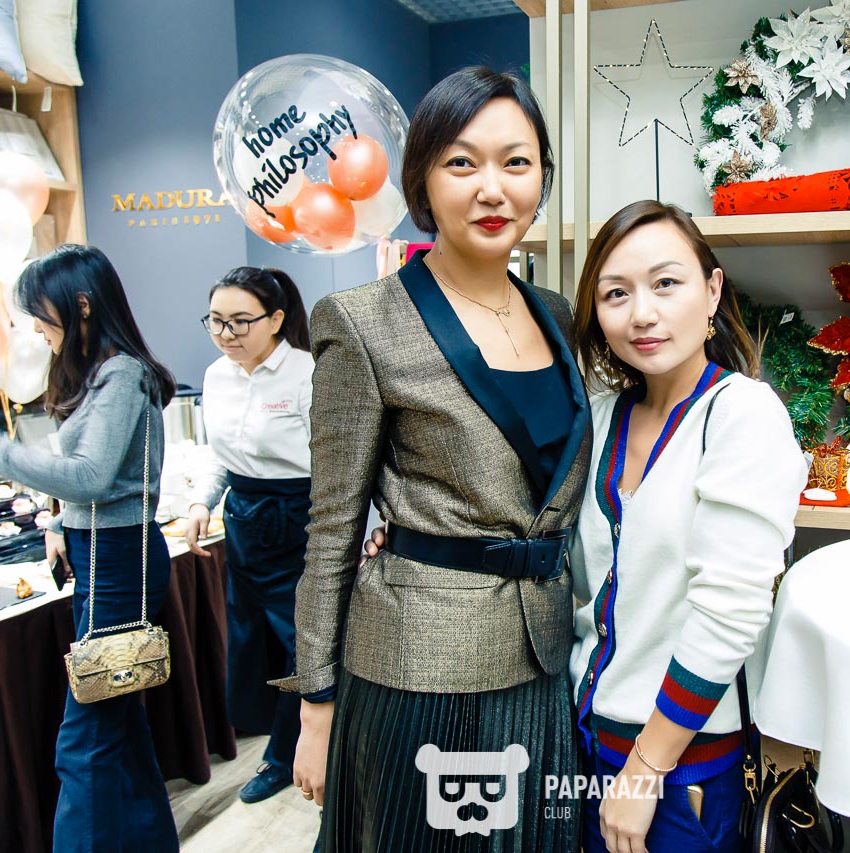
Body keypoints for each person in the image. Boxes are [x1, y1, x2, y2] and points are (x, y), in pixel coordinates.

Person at [284, 66, 589, 852]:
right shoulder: (363, 321)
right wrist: (316, 703)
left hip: (541, 657)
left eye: (516, 162)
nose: (493, 188)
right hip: (420, 665)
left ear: (542, 177)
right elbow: (332, 527)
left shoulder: (555, 314)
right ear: (421, 177)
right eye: (462, 162)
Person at [0, 244, 179, 853]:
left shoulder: (121, 376)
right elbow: (95, 479)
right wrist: (61, 522)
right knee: (118, 728)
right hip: (105, 556)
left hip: (119, 562)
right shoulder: (101, 374)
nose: (35, 328)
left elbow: (90, 476)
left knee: (85, 742)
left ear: (81, 304)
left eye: (39, 312)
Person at [569, 201, 806, 853]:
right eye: (616, 293)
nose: (642, 313)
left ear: (712, 290)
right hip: (587, 747)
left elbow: (730, 611)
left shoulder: (741, 414)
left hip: (678, 767)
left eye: (666, 283)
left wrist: (645, 769)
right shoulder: (598, 418)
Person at [182, 266, 314, 803]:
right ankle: (280, 745)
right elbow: (222, 454)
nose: (226, 334)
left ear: (276, 319)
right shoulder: (217, 376)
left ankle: (287, 756)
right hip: (243, 522)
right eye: (215, 321)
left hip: (301, 520)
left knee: (301, 646)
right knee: (251, 641)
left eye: (240, 321)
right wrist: (201, 502)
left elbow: (341, 465)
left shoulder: (308, 372)